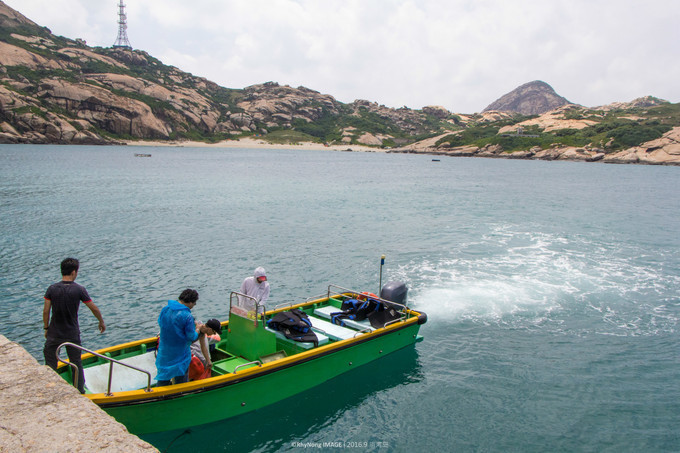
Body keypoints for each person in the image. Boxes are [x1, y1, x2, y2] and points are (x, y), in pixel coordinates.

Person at [43, 257, 106, 394]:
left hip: (54, 332)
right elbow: (93, 308)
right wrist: (100, 321)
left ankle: (51, 389)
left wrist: (46, 328)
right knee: (76, 362)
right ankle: (79, 391)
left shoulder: (52, 289)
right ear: (73, 272)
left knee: (50, 363)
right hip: (72, 332)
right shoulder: (79, 289)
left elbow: (46, 311)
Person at [155, 289, 211, 386]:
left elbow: (161, 323)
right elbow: (191, 336)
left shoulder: (166, 309)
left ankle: (158, 395)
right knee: (181, 381)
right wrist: (197, 329)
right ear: (190, 302)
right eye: (194, 303)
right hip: (180, 354)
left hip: (165, 351)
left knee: (163, 377)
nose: (194, 306)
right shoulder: (187, 316)